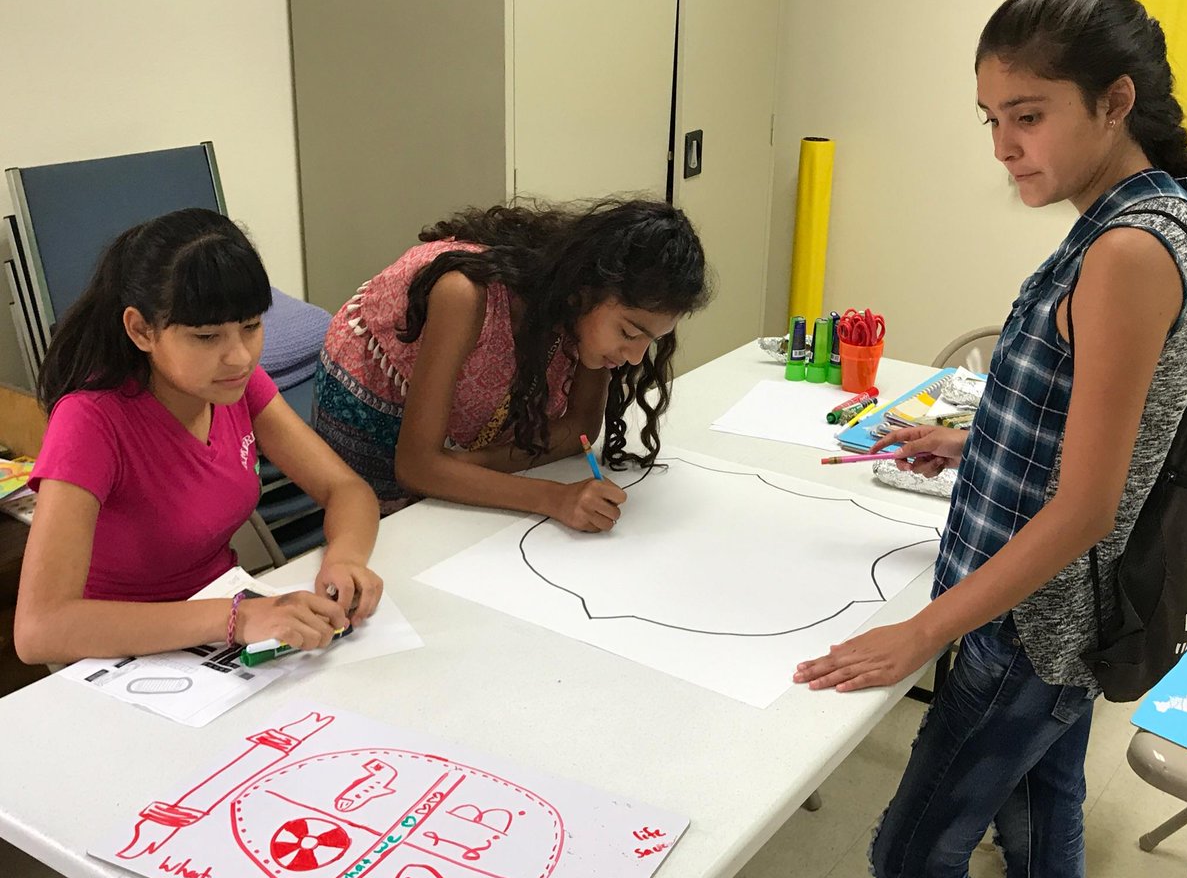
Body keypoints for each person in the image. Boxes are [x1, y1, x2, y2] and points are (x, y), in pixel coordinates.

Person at [792, 0, 1187, 878]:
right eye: (990, 118)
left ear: (1116, 100)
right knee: (1039, 806)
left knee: (911, 850)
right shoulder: (1138, 216)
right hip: (1051, 616)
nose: (1004, 146)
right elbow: (1102, 429)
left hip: (1028, 623)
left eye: (1028, 115)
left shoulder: (1129, 248)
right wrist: (971, 443)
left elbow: (1089, 506)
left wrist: (924, 632)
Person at [14, 208, 384, 666]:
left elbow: (345, 488)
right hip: (117, 653)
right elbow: (39, 630)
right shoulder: (90, 421)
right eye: (206, 336)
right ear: (140, 330)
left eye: (251, 327)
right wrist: (235, 619)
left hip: (219, 625)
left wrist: (345, 558)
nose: (240, 356)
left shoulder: (234, 386)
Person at [313, 198, 709, 531]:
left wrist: (463, 467)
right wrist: (554, 497)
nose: (636, 357)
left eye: (650, 341)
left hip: (444, 443)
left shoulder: (585, 319)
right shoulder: (465, 295)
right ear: (583, 290)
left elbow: (580, 429)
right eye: (628, 332)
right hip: (368, 410)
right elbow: (416, 467)